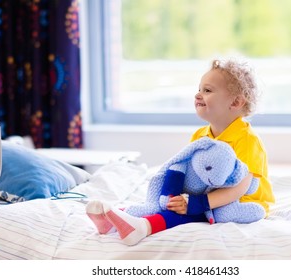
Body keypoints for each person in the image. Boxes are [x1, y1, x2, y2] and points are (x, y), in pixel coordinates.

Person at [86, 58, 275, 245]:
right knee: (167, 204)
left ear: (235, 102)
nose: (198, 95)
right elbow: (189, 173)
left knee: (195, 213)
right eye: (199, 89)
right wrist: (176, 195)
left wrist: (198, 203)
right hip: (206, 196)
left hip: (240, 202)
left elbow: (240, 187)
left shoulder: (247, 139)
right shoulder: (201, 136)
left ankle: (143, 226)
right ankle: (116, 218)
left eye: (207, 90)